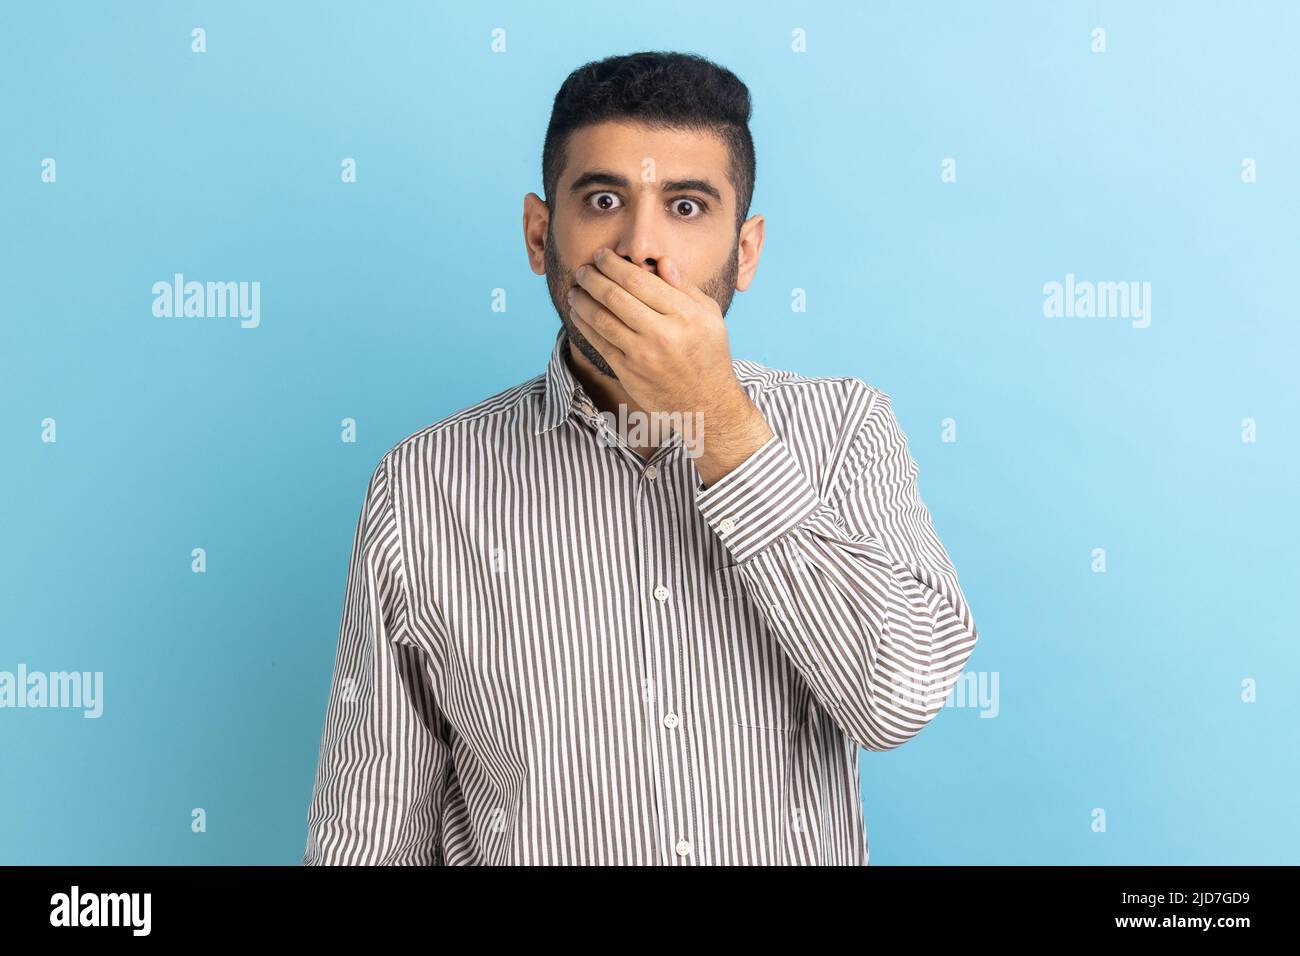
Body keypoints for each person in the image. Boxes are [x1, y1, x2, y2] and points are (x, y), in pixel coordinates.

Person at [301, 50, 979, 865]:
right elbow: (369, 831)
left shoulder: (844, 432)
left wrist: (720, 421)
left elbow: (896, 696)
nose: (641, 247)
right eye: (604, 199)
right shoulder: (422, 487)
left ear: (748, 251)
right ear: (539, 233)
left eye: (687, 206)